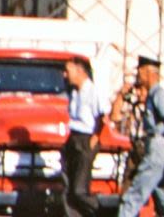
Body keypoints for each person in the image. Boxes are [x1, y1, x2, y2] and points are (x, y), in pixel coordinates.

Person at [115, 58, 164, 217]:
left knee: (133, 196)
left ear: (149, 72)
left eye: (140, 72)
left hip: (157, 149)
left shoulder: (158, 94)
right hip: (160, 149)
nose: (138, 76)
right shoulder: (153, 95)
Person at [61, 58, 106, 217]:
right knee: (68, 189)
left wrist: (94, 139)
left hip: (86, 139)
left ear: (80, 71)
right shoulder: (74, 92)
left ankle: (101, 211)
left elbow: (102, 117)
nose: (65, 75)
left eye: (68, 71)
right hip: (73, 138)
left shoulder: (93, 91)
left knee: (79, 190)